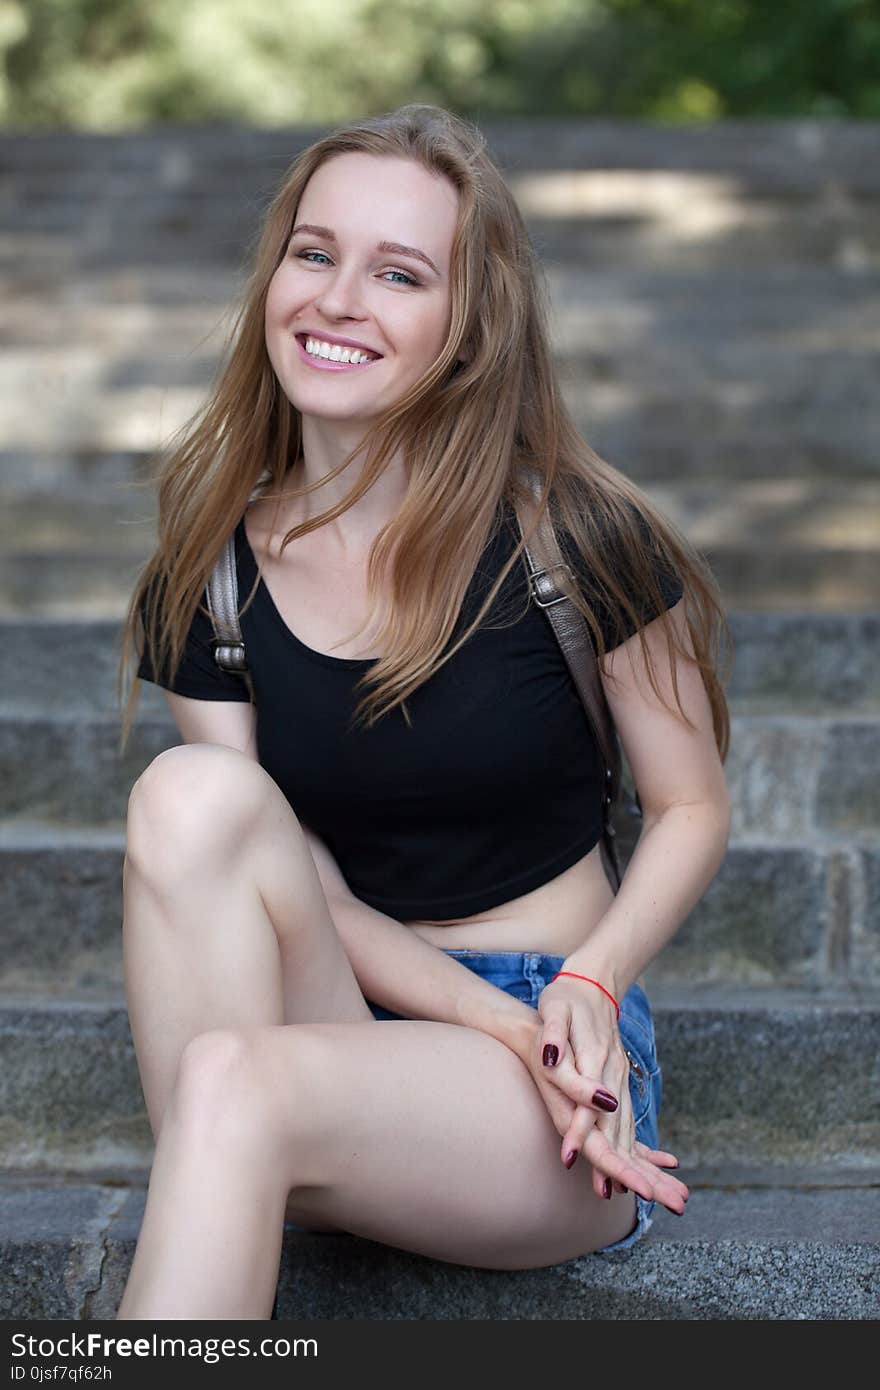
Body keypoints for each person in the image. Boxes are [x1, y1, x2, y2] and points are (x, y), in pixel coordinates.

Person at [116, 103, 732, 1320]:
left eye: (399, 274)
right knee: (186, 795)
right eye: (315, 252)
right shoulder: (209, 575)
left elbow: (691, 803)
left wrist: (584, 993)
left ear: (462, 330)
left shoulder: (578, 536)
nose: (340, 299)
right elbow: (305, 886)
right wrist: (478, 1021)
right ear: (272, 279)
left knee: (234, 1087)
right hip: (334, 1003)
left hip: (559, 1044)